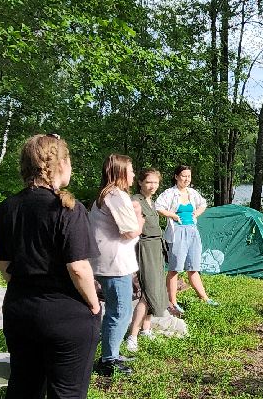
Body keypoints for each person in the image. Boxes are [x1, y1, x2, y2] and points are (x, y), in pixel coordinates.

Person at [0, 133, 101, 399]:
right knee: (66, 394)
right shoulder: (67, 209)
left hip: (21, 311)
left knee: (23, 387)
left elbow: (5, 266)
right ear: (57, 165)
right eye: (68, 161)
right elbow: (79, 268)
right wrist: (94, 304)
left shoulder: (7, 208)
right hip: (65, 315)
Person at [90, 154, 143, 377]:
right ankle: (108, 360)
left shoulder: (105, 196)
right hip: (114, 265)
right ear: (121, 173)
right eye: (130, 171)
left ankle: (111, 353)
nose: (133, 175)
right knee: (120, 311)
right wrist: (139, 215)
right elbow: (131, 231)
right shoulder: (116, 195)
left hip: (109, 263)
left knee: (117, 309)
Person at [155, 165, 216, 315]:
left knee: (193, 267)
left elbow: (203, 204)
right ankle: (173, 302)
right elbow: (158, 207)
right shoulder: (170, 193)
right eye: (183, 176)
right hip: (177, 233)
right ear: (176, 177)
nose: (186, 179)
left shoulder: (192, 193)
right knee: (175, 269)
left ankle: (204, 298)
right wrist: (173, 215)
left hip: (192, 232)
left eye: (189, 176)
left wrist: (196, 213)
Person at [124, 168, 170, 352]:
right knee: (148, 291)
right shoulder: (135, 201)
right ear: (140, 182)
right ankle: (132, 336)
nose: (152, 186)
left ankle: (146, 328)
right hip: (144, 248)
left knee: (157, 288)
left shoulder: (151, 202)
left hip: (156, 247)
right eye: (149, 182)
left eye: (156, 183)